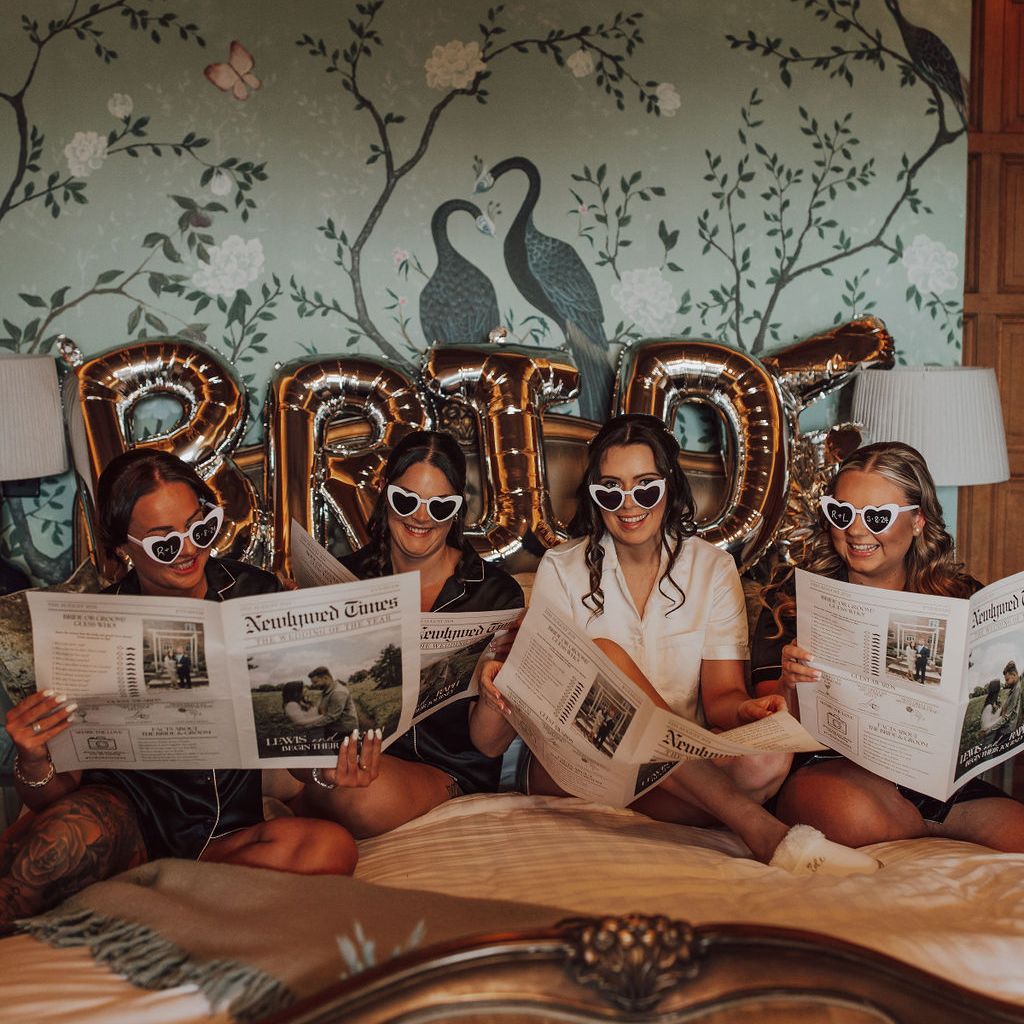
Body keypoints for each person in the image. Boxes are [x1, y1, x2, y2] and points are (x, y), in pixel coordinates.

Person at [473, 414, 878, 876]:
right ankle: (758, 828)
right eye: (611, 489)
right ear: (594, 496)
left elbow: (722, 699)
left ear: (669, 487)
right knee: (606, 655)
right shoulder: (560, 569)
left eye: (645, 487)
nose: (629, 505)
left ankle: (686, 801)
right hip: (581, 761)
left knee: (768, 759)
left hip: (685, 758)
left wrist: (746, 712)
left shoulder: (713, 568)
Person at [0, 450, 358, 933]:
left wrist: (326, 766)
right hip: (123, 821)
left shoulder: (257, 595)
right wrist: (35, 760)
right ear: (123, 547)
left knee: (330, 847)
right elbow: (50, 793)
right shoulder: (89, 626)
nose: (189, 550)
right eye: (164, 544)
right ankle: (148, 890)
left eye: (201, 528)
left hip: (220, 836)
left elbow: (292, 750)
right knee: (66, 838)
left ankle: (142, 893)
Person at [753, 441, 1024, 851]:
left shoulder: (961, 597)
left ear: (917, 520)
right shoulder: (790, 599)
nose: (856, 531)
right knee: (856, 817)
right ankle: (918, 831)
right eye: (841, 514)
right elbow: (764, 722)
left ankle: (918, 825)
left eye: (877, 517)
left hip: (929, 785)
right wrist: (789, 685)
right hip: (830, 770)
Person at [288, 429, 523, 839]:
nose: (421, 517)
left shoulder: (495, 593)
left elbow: (488, 746)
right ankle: (307, 804)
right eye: (406, 500)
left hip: (446, 770)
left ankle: (308, 807)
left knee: (356, 797)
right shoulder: (345, 577)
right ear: (384, 493)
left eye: (440, 506)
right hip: (355, 753)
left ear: (457, 510)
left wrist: (496, 690)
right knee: (273, 764)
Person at [307, 666, 359, 738]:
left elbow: (331, 717)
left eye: (315, 682)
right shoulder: (327, 690)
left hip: (344, 732)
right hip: (334, 729)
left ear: (325, 678)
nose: (313, 685)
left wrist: (310, 725)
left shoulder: (338, 692)